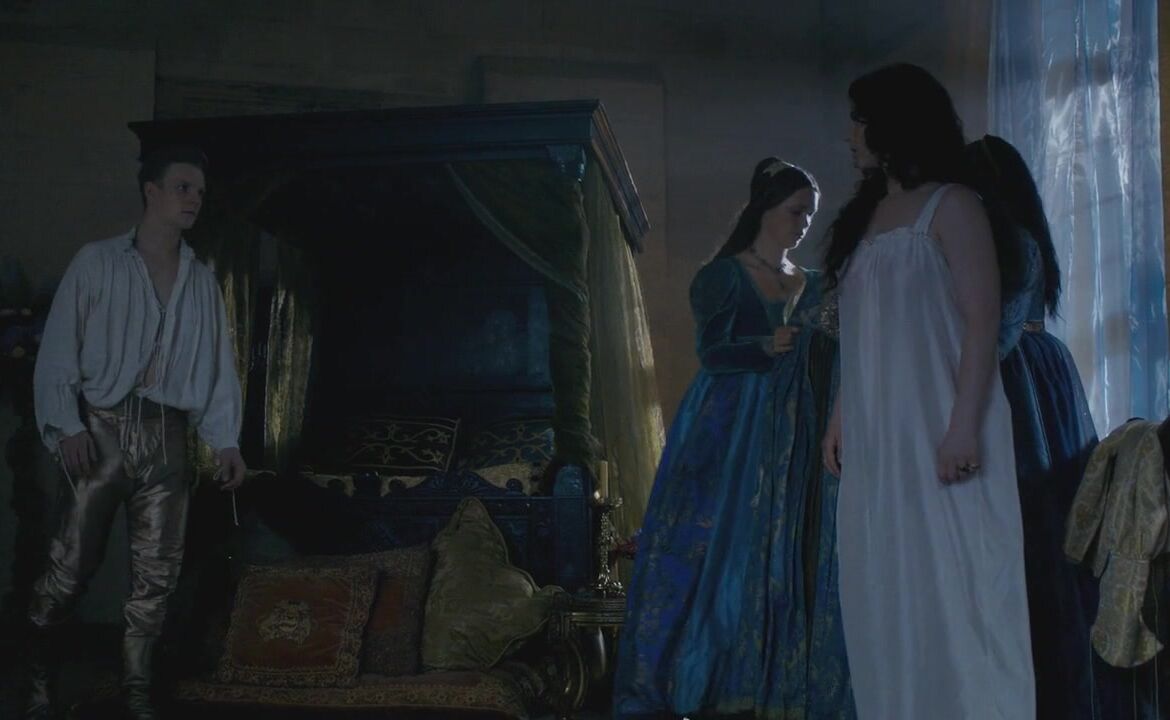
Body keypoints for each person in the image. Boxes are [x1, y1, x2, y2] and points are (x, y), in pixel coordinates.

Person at [821, 64, 1035, 719]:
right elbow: (863, 332)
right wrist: (842, 414)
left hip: (939, 426)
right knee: (886, 590)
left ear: (896, 126)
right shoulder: (865, 218)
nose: (851, 134)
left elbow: (982, 319)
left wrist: (963, 426)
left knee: (955, 588)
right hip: (880, 438)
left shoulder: (954, 205)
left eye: (861, 120)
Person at [613, 157, 854, 719]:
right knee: (723, 537)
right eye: (796, 211)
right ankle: (712, 674)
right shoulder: (722, 276)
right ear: (766, 208)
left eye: (810, 215)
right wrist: (764, 346)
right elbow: (712, 351)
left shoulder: (814, 283)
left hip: (798, 419)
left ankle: (776, 676)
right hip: (732, 416)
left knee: (785, 538)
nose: (804, 224)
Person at [21, 145, 246, 720]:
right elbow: (59, 348)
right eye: (183, 187)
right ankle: (37, 685)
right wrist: (66, 424)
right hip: (102, 431)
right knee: (69, 570)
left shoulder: (201, 280)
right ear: (152, 191)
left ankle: (138, 697)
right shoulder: (97, 262)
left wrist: (225, 439)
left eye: (200, 191)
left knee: (156, 579)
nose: (194, 199)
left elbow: (218, 366)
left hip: (168, 438)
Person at [967, 134, 1108, 720]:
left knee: (1035, 514)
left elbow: (995, 332)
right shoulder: (1018, 238)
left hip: (1019, 374)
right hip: (1036, 367)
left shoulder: (1010, 242)